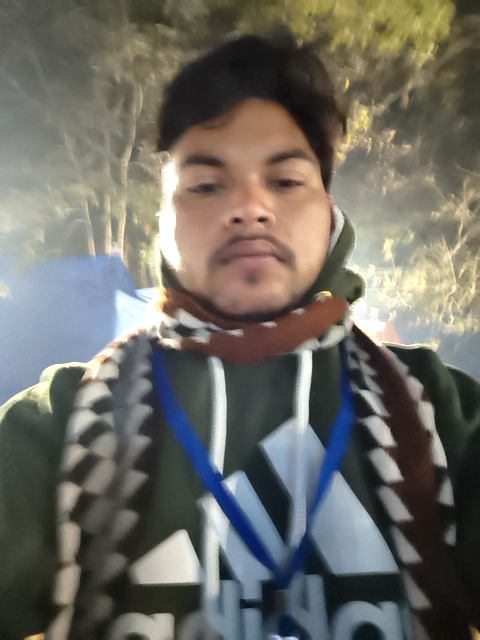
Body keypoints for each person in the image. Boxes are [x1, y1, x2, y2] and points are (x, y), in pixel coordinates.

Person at [1, 31, 480, 640]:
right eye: (206, 185)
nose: (250, 207)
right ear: (164, 226)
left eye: (286, 181)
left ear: (330, 216)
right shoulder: (64, 422)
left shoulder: (439, 412)